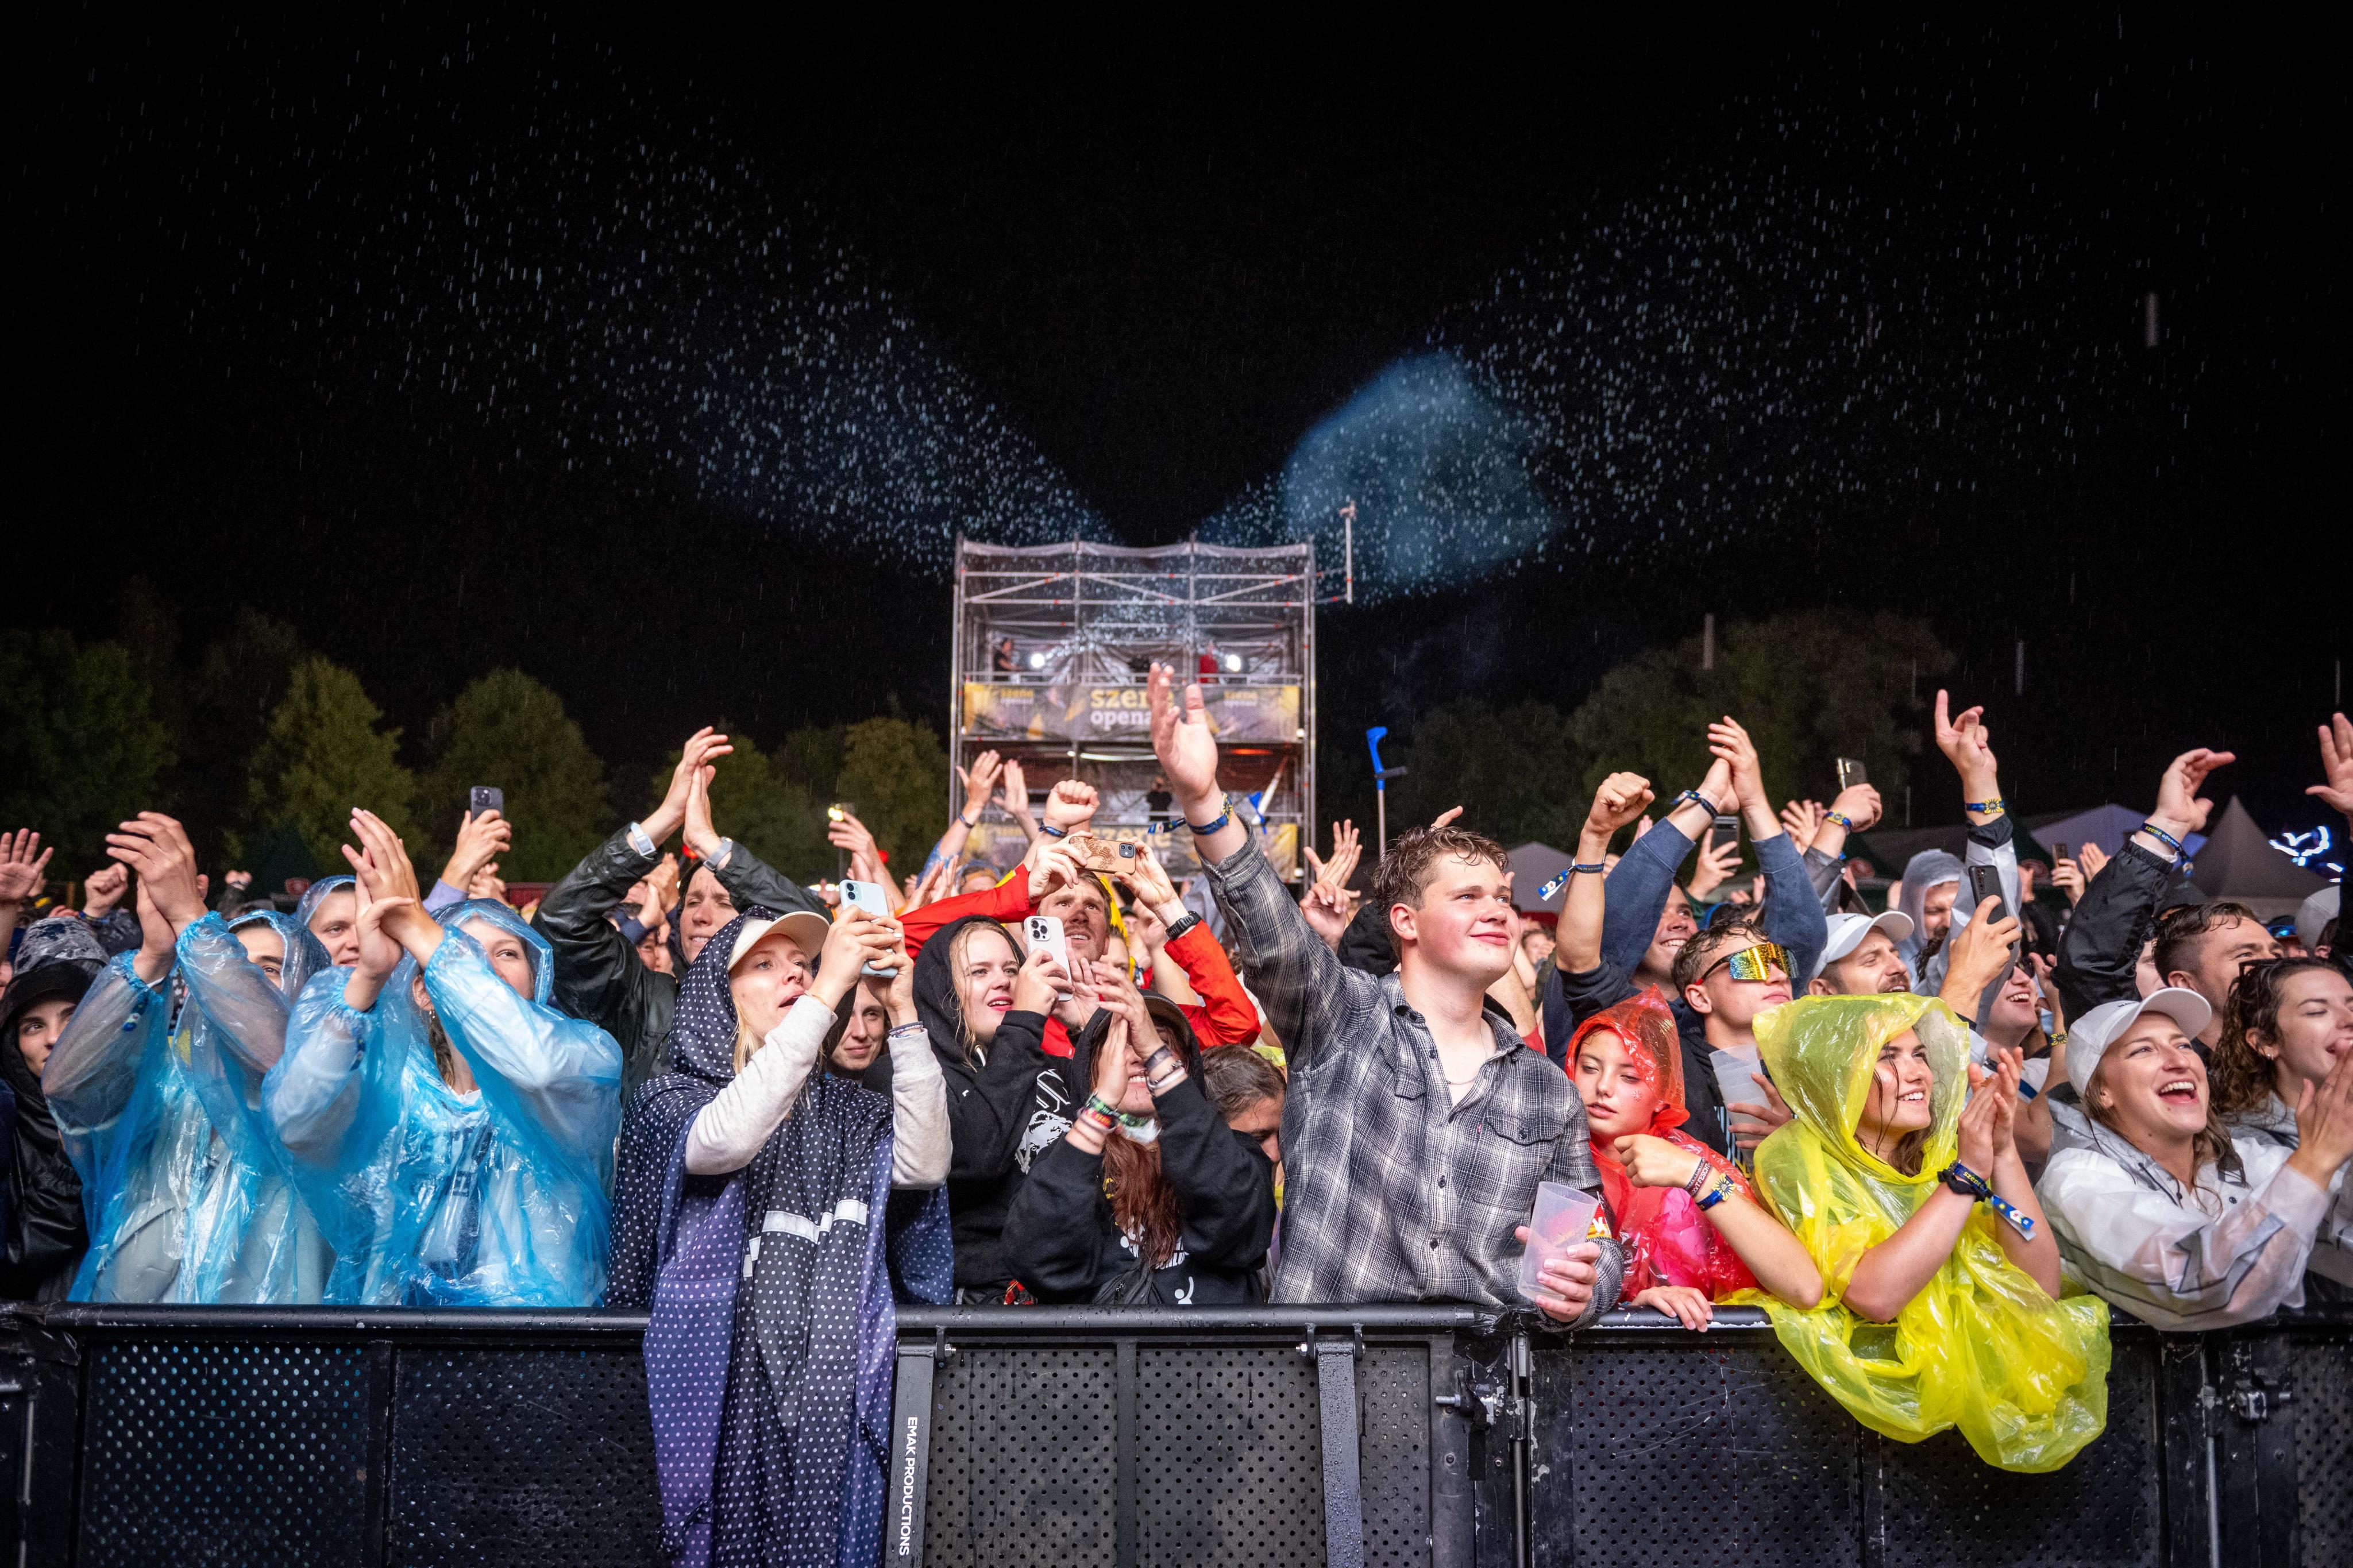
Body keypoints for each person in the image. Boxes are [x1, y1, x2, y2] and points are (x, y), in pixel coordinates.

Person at [1149, 663, 1622, 1324]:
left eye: (1502, 897)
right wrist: (1203, 800)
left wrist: (1588, 1286)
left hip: (1485, 1379)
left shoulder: (1545, 1088)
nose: (1497, 910)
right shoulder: (1343, 1017)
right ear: (1405, 922)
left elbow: (1594, 1236)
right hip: (1331, 1375)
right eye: (1467, 896)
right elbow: (1270, 924)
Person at [611, 903, 951, 1568]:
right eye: (765, 965)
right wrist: (826, 993)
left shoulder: (850, 1109)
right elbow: (726, 1139)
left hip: (831, 1403)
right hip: (715, 1402)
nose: (795, 975)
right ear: (718, 996)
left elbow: (925, 1164)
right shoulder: (669, 1100)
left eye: (804, 964)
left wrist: (904, 1013)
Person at [1730, 991, 2108, 1472]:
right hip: (1854, 1444)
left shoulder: (1941, 1160)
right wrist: (1967, 1177)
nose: (1918, 1074)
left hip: (1974, 1428)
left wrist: (2003, 1152)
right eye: (1887, 1057)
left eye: (1921, 1056)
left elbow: (2039, 1286)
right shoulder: (1793, 1158)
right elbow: (1875, 1294)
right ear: (1836, 1074)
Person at [267, 809, 623, 1306]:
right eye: (465, 953)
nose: (485, 968)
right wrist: (369, 978)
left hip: (527, 1342)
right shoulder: (397, 1090)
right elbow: (296, 1123)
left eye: (507, 954)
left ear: (536, 981)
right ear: (423, 991)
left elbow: (537, 1067)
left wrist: (418, 926)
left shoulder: (588, 1056)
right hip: (397, 1338)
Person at [48, 812, 334, 1303]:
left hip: (271, 1352)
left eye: (267, 969)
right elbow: (67, 1088)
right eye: (223, 963)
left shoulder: (339, 1091)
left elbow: (280, 1064)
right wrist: (153, 958)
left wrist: (191, 922)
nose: (231, 977)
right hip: (129, 1347)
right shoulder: (162, 1096)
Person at [1546, 721, 1829, 1156]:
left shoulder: (1794, 1063)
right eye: (1750, 965)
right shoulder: (1649, 1044)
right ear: (1699, 994)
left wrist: (1755, 802)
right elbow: (1594, 949)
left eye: (1685, 912)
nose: (1775, 975)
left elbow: (1803, 930)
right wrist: (1706, 801)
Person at [2037, 987, 2353, 1328]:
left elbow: (2343, 1231)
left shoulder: (2233, 1160)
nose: (2179, 1061)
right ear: (2102, 1091)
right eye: (2143, 1050)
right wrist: (2315, 1159)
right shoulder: (2078, 1178)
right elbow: (2202, 1286)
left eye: (2184, 1045)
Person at [534, 728, 829, 1092]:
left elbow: (821, 929)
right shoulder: (646, 1005)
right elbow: (561, 920)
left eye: (724, 903)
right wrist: (663, 822)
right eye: (691, 902)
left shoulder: (799, 999)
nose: (701, 916)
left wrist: (708, 844)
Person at [1002, 967, 1275, 1304]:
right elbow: (1037, 1260)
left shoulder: (1237, 1152)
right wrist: (1102, 1103)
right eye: (1121, 1045)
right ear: (1092, 1069)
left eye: (1159, 1043)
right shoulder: (1068, 1160)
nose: (1138, 1056)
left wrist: (1156, 1060)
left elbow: (1239, 1232)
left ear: (1186, 1067)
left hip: (1210, 1340)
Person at [1567, 989, 1821, 1330]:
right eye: (1589, 1068)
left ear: (1663, 1092)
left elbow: (1804, 1288)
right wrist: (1631, 1309)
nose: (1603, 1087)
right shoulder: (1542, 1157)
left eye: (1630, 1076)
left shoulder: (1695, 1161)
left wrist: (1698, 1176)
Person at [910, 911, 1070, 1301]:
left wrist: (1085, 1026)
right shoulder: (913, 1077)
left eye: (1012, 969)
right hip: (984, 1309)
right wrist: (1024, 1024)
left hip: (1079, 1293)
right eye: (979, 971)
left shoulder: (1048, 1066)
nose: (1003, 981)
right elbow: (974, 1157)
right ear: (943, 989)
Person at [2054, 746, 2235, 1029]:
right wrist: (2168, 826)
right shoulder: (2128, 1033)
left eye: (2252, 955)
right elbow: (2092, 966)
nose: (2173, 972)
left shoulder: (2265, 1040)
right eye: (2155, 960)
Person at [2208, 957, 2353, 1301]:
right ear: (2265, 1042)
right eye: (2317, 1011)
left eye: (2352, 1006)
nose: (2348, 1019)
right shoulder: (2237, 1145)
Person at [1, 915, 102, 1300]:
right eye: (34, 1026)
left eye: (72, 1017)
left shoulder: (153, 1106)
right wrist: (67, 1165)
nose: (54, 1039)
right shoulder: (7, 1123)